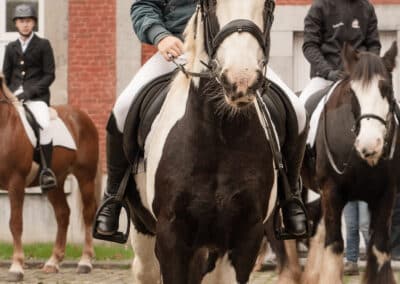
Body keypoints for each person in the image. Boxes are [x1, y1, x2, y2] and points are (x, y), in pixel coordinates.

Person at [94, 0, 309, 242]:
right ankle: (113, 197)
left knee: (297, 110)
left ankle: (291, 198)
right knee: (122, 108)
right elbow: (144, 6)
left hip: (232, 54)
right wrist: (160, 35)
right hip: (178, 52)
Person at [2, 4, 56, 191]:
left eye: (28, 21)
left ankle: (46, 171)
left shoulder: (43, 45)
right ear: (16, 24)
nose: (25, 24)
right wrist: (10, 95)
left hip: (37, 98)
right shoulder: (10, 47)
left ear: (33, 23)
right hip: (14, 99)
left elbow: (49, 75)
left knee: (45, 124)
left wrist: (28, 93)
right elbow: (6, 77)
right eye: (21, 21)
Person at [300, 0, 381, 104]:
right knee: (301, 109)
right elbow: (310, 46)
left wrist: (366, 70)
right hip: (325, 80)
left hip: (361, 79)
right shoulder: (320, 6)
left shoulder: (367, 7)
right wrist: (328, 72)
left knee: (390, 105)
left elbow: (374, 45)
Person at [343, 201, 370, 275]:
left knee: (365, 225)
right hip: (348, 193)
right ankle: (352, 263)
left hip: (365, 193)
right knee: (351, 227)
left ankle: (373, 261)